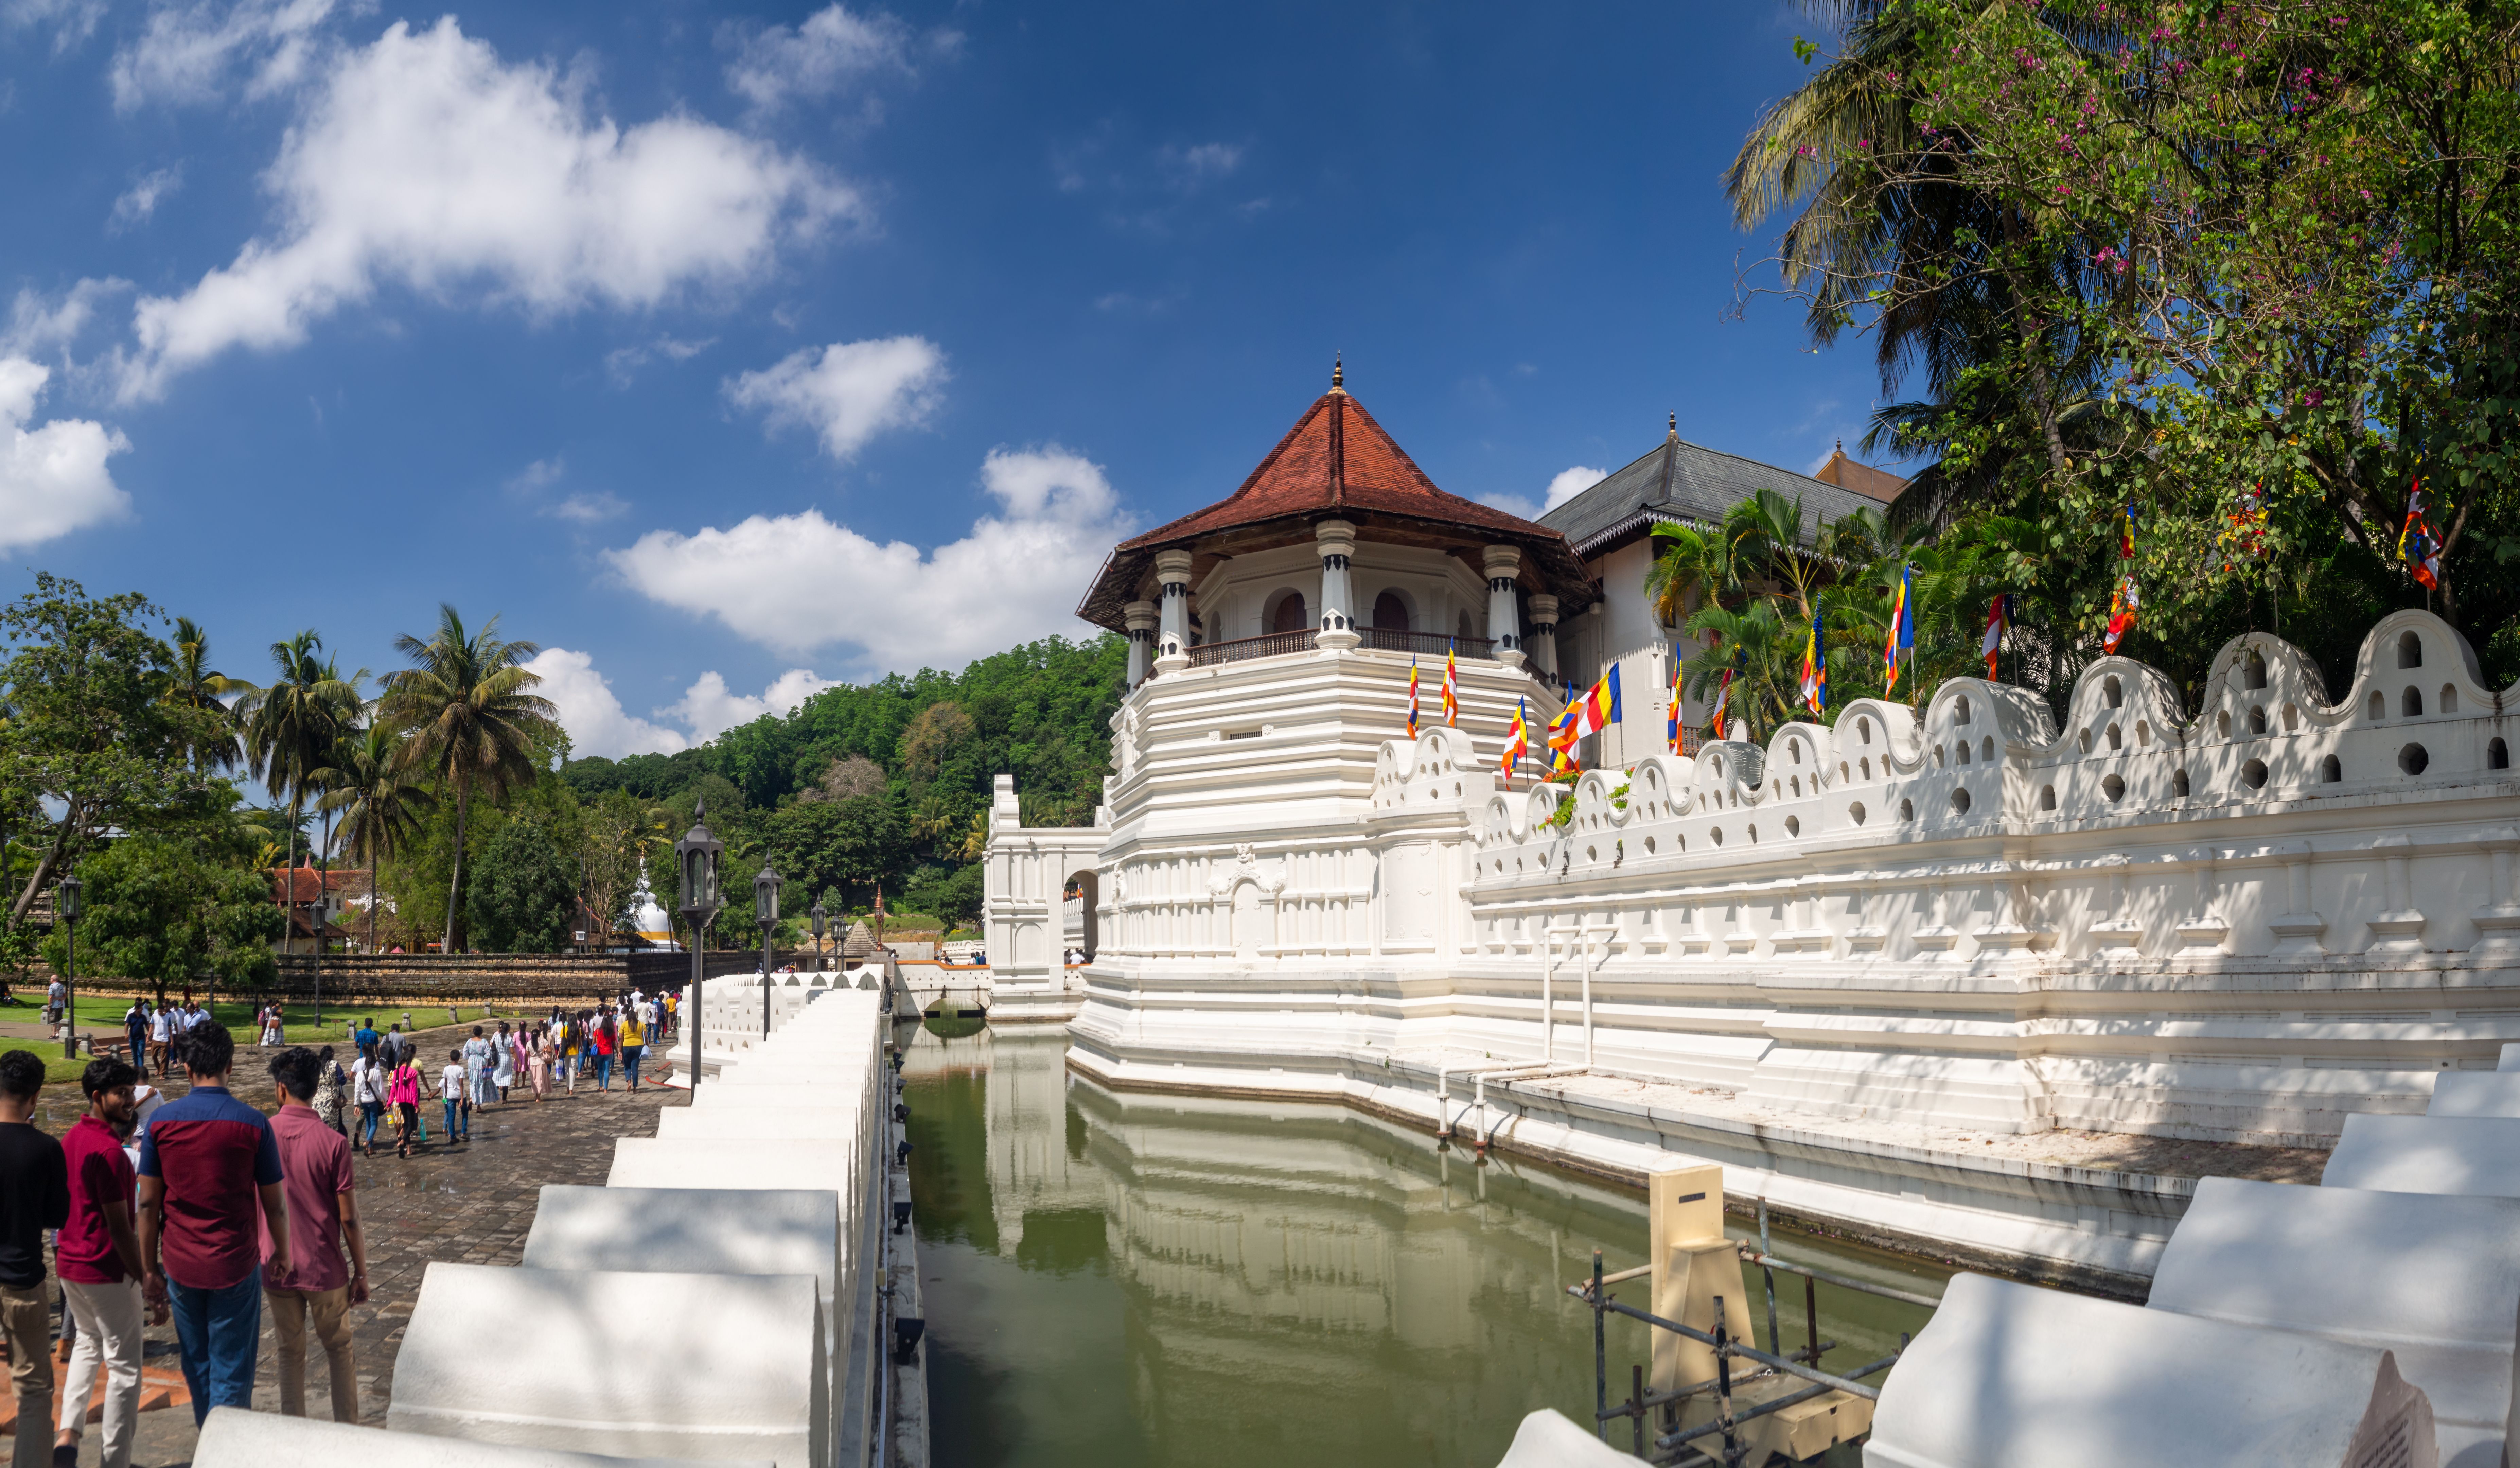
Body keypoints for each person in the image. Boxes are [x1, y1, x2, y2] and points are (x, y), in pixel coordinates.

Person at [137, 1022, 294, 1429]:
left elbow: (148, 1203)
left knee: (197, 1362)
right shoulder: (253, 1123)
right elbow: (275, 1205)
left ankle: (210, 1435)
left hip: (181, 1261)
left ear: (187, 1069)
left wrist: (149, 1268)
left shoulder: (161, 1123)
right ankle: (224, 1444)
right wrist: (283, 1251)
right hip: (234, 1261)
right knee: (232, 1367)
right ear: (230, 1065)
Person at [53, 1057, 160, 1468]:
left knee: (87, 1343)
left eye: (131, 1091)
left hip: (71, 1264)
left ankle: (68, 1434)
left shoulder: (72, 1138)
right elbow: (120, 1228)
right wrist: (146, 1276)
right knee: (125, 1368)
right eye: (120, 1093)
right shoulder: (110, 1152)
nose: (130, 1100)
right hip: (106, 1268)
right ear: (98, 1097)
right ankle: (115, 1460)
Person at [262, 1048, 367, 1422]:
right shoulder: (333, 1142)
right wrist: (361, 1272)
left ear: (281, 1089)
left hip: (275, 1264)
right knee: (339, 1349)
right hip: (323, 1266)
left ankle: (294, 1429)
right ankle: (347, 1430)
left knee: (289, 1352)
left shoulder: (262, 1136)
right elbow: (349, 1218)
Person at [0, 1049, 67, 1468]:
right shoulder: (45, 1149)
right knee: (33, 1390)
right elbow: (57, 1217)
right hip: (21, 1276)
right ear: (35, 1097)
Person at [349, 1048, 387, 1157]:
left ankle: (370, 1149)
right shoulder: (377, 1073)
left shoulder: (359, 1075)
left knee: (369, 1123)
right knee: (374, 1123)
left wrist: (356, 1105)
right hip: (373, 1102)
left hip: (364, 1102)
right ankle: (368, 1141)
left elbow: (357, 1091)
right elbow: (381, 1089)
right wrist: (385, 1100)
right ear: (375, 1063)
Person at [386, 1051, 424, 1157]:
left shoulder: (396, 1072)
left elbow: (393, 1090)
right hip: (410, 1102)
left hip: (400, 1101)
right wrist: (416, 1106)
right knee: (411, 1125)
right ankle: (402, 1141)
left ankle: (408, 1149)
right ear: (409, 1061)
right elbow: (414, 1091)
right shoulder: (412, 1073)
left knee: (407, 1124)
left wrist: (389, 1104)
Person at [310, 1046, 347, 1137]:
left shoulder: (317, 1065)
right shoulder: (334, 1064)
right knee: (336, 1126)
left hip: (316, 1101)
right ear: (332, 1054)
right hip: (332, 1100)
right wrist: (346, 1077)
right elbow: (342, 1081)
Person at [439, 1049, 468, 1142]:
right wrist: (462, 1098)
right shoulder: (461, 1069)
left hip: (450, 1095)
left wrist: (446, 1095)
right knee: (465, 1113)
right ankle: (464, 1133)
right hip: (460, 1094)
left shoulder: (446, 1069)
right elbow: (461, 1084)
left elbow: (446, 1084)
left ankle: (453, 1136)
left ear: (450, 1058)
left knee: (451, 1116)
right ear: (459, 1059)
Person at [618, 1003, 646, 1091]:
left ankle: (629, 1082)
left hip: (627, 1046)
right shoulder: (641, 1024)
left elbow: (621, 1039)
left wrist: (620, 1051)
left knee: (627, 1066)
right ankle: (635, 1087)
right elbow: (646, 1037)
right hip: (639, 1046)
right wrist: (647, 1046)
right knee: (635, 1067)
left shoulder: (624, 1025)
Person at [591, 1007, 618, 1091]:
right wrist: (618, 1052)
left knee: (600, 1069)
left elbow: (594, 1042)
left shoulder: (598, 1031)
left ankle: (601, 1087)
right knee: (607, 1070)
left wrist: (592, 1050)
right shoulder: (611, 1032)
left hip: (600, 1052)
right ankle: (606, 1088)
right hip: (609, 1052)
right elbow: (614, 1044)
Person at [492, 1021, 517, 1102]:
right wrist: (519, 1061)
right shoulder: (509, 1039)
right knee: (506, 1079)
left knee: (496, 1078)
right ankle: (504, 1099)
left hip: (498, 1059)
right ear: (508, 1031)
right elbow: (512, 1052)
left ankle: (494, 1097)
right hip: (506, 1060)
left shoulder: (496, 1037)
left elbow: (492, 1048)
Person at [147, 1002, 173, 1080]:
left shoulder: (168, 1017)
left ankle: (162, 1074)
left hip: (165, 1039)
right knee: (154, 1056)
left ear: (164, 1010)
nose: (160, 1013)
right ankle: (159, 1068)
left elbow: (170, 1030)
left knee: (163, 1058)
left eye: (161, 1011)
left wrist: (172, 1040)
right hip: (156, 1039)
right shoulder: (154, 1017)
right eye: (159, 1011)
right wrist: (148, 1037)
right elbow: (151, 1028)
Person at [526, 1029, 550, 1101]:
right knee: (540, 1080)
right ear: (539, 1035)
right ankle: (538, 1097)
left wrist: (526, 1064)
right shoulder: (543, 1041)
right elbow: (550, 1050)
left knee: (535, 1080)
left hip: (533, 1063)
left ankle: (537, 1095)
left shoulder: (529, 1043)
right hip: (541, 1063)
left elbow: (527, 1055)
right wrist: (545, 1050)